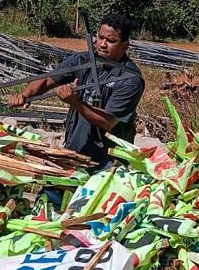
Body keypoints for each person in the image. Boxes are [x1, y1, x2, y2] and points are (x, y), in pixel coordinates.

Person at [9, 14, 145, 179]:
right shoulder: (82, 60)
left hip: (107, 164)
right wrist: (25, 95)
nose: (102, 44)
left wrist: (75, 102)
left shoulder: (131, 79)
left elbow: (109, 121)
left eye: (110, 41)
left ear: (124, 46)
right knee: (53, 198)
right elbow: (47, 80)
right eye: (100, 37)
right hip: (74, 151)